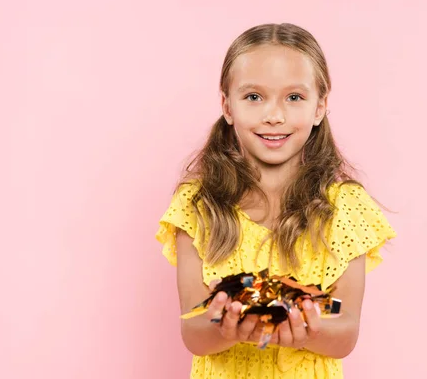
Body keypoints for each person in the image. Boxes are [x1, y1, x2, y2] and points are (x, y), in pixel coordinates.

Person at [155, 22, 396, 379]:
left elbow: (345, 331)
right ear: (227, 105)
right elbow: (193, 330)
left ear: (320, 107)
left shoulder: (346, 209)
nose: (274, 115)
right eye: (254, 97)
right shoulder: (197, 207)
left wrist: (301, 325)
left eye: (294, 97)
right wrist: (228, 324)